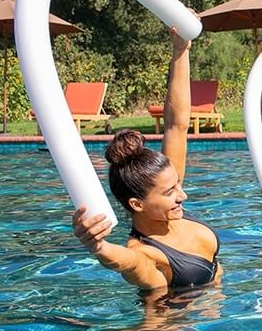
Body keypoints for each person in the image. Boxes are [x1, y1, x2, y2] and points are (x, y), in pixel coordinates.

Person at [72, 27, 221, 291]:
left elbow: (177, 125)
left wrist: (181, 50)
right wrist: (99, 247)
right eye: (170, 191)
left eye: (177, 184)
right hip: (174, 318)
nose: (182, 194)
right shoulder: (145, 252)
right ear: (137, 204)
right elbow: (129, 263)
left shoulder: (167, 206)